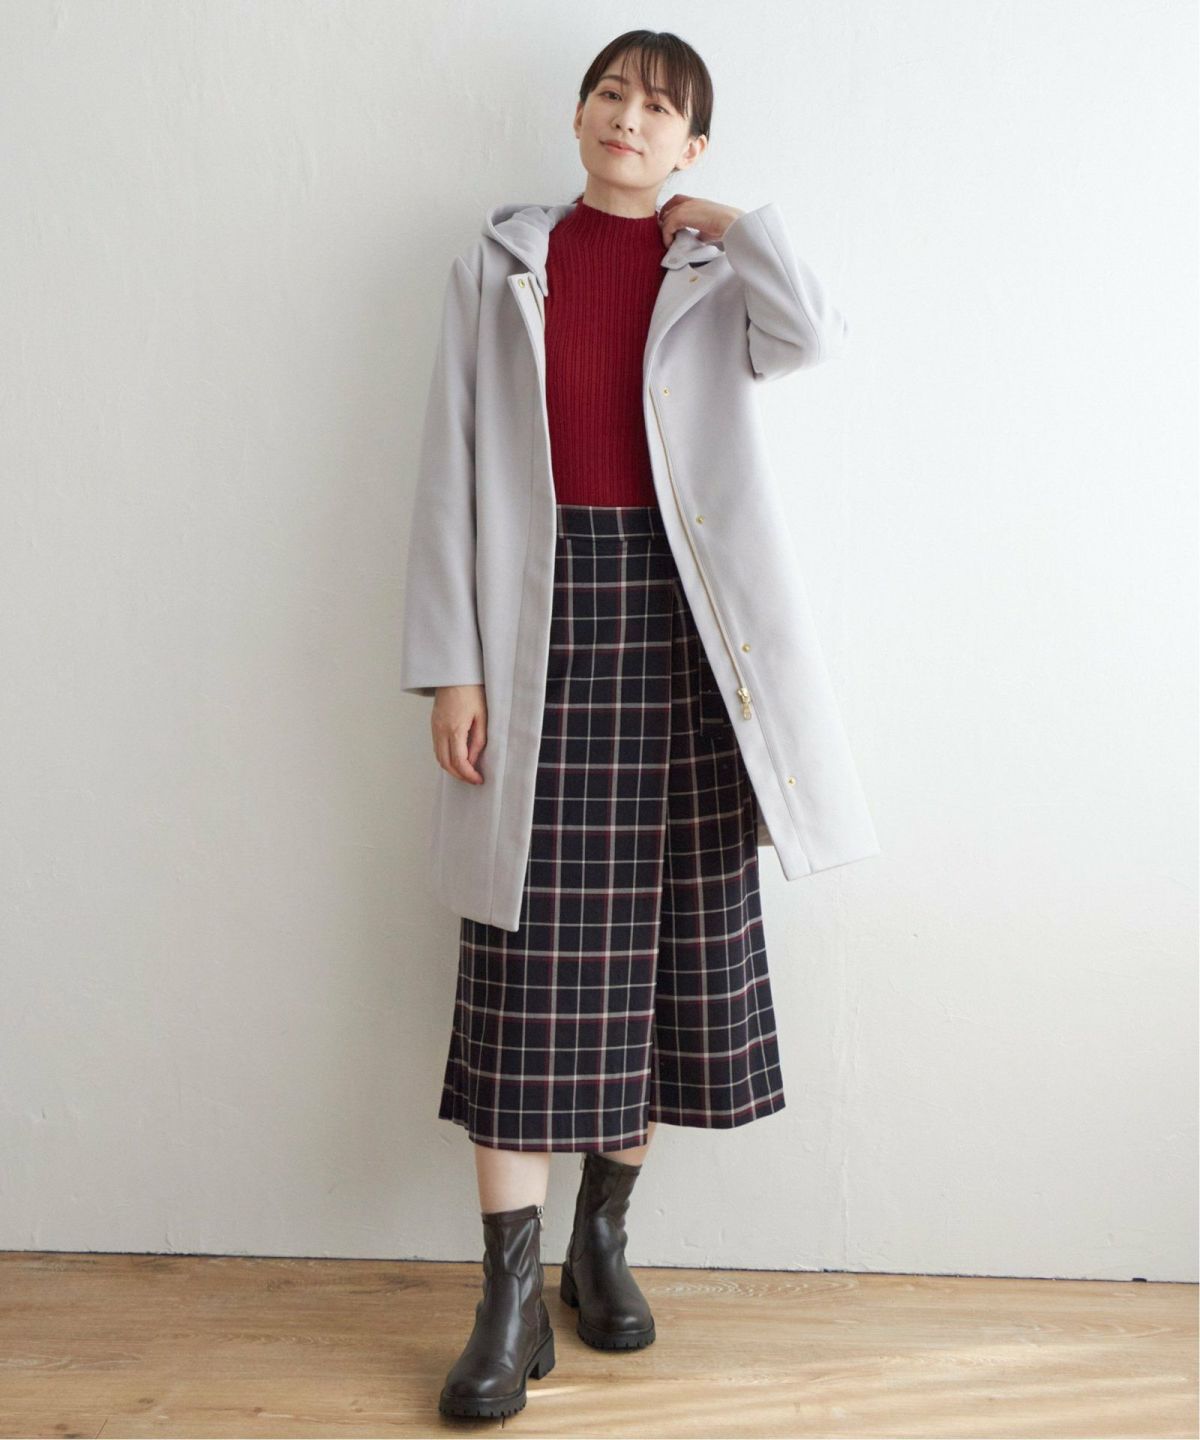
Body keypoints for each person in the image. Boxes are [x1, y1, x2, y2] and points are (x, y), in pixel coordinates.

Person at [400, 28, 877, 1421]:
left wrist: (733, 224)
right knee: (525, 963)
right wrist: (453, 669)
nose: (629, 117)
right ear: (578, 114)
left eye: (661, 108)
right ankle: (507, 1302)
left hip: (686, 634)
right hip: (538, 623)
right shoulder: (501, 263)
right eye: (611, 93)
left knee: (664, 949)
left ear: (692, 145)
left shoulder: (716, 272)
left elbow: (816, 336)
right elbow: (450, 467)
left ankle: (601, 1243)